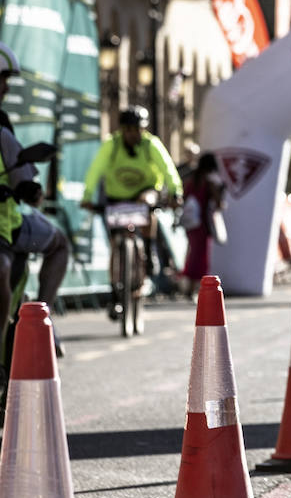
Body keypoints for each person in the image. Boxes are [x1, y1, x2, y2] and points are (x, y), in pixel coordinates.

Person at [0, 41, 71, 361]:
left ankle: (37, 319)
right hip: (4, 226)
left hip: (8, 226)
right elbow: (27, 184)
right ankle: (44, 318)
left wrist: (29, 190)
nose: (5, 87)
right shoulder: (1, 129)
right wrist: (29, 191)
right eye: (2, 79)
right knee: (57, 246)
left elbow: (25, 182)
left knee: (53, 244)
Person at [81, 105, 183, 327]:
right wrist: (87, 196)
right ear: (122, 130)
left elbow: (168, 169)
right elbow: (95, 170)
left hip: (144, 193)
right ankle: (115, 288)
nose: (133, 134)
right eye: (128, 130)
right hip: (116, 198)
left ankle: (148, 248)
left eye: (137, 130)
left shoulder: (150, 145)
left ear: (143, 130)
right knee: (115, 244)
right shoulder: (111, 145)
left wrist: (176, 192)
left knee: (147, 204)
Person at [180, 153, 225, 287]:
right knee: (201, 256)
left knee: (192, 253)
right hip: (203, 223)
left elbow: (184, 197)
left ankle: (188, 284)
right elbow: (219, 203)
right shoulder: (210, 182)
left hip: (190, 222)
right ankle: (196, 287)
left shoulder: (191, 180)